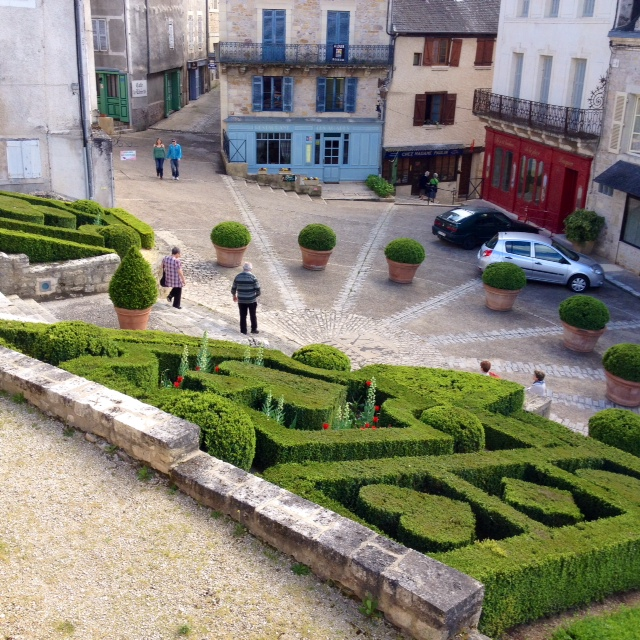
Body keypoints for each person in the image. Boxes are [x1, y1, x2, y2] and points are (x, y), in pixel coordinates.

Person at [231, 262, 261, 335]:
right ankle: (254, 329)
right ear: (250, 269)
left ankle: (243, 330)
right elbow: (258, 290)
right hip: (251, 300)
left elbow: (233, 288)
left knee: (243, 315)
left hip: (241, 300)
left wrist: (234, 296)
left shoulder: (238, 277)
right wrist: (255, 296)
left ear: (243, 268)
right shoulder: (253, 277)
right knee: (253, 315)